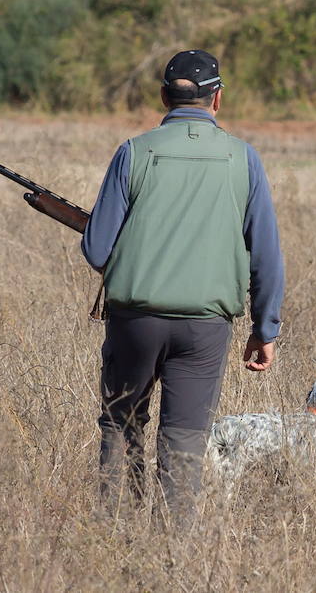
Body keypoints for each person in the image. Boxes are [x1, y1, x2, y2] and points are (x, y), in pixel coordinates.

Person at [81, 49, 284, 521]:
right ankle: (175, 554)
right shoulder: (243, 158)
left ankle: (116, 540)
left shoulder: (134, 151)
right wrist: (265, 328)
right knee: (185, 439)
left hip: (135, 323)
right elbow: (267, 252)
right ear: (217, 99)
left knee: (120, 425)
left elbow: (95, 249)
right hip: (205, 328)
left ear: (163, 97)